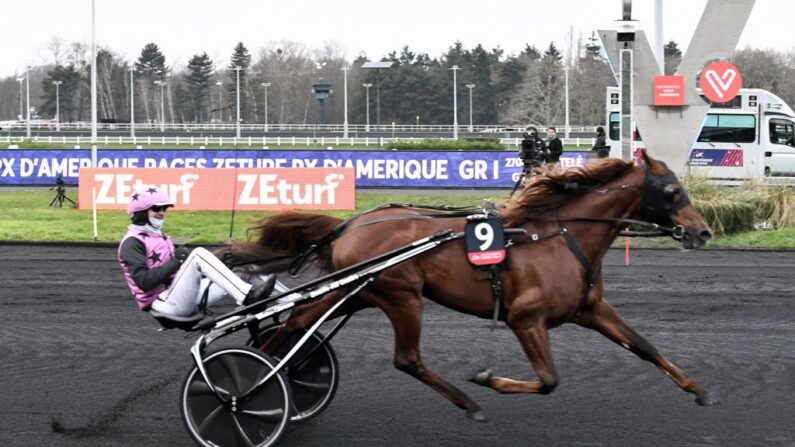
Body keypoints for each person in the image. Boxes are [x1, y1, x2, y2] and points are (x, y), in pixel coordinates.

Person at [117, 185, 276, 317]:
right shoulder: (132, 242)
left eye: (164, 208)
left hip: (180, 295)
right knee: (198, 254)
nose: (162, 212)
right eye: (157, 208)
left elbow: (181, 276)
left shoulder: (157, 238)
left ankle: (293, 301)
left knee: (245, 269)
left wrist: (220, 267)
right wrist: (177, 261)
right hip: (165, 303)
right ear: (141, 211)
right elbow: (144, 283)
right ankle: (247, 296)